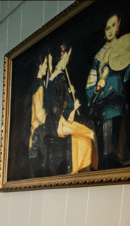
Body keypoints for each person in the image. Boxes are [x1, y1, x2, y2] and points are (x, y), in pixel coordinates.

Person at [44, 44, 97, 175]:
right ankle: (82, 168)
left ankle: (80, 168)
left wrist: (70, 95)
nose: (67, 60)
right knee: (90, 132)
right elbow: (60, 108)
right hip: (60, 124)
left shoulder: (53, 78)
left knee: (84, 130)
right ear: (63, 56)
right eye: (67, 56)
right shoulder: (60, 77)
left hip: (54, 122)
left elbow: (56, 103)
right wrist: (74, 107)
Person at [85, 14, 130, 169]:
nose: (110, 30)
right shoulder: (98, 57)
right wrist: (97, 87)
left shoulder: (125, 48)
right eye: (107, 27)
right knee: (107, 154)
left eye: (113, 25)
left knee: (121, 148)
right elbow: (90, 84)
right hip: (104, 107)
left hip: (120, 102)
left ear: (118, 27)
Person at [28, 55, 49, 178]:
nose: (46, 67)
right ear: (40, 66)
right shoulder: (40, 87)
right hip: (38, 132)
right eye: (45, 64)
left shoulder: (37, 86)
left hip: (33, 132)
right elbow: (40, 115)